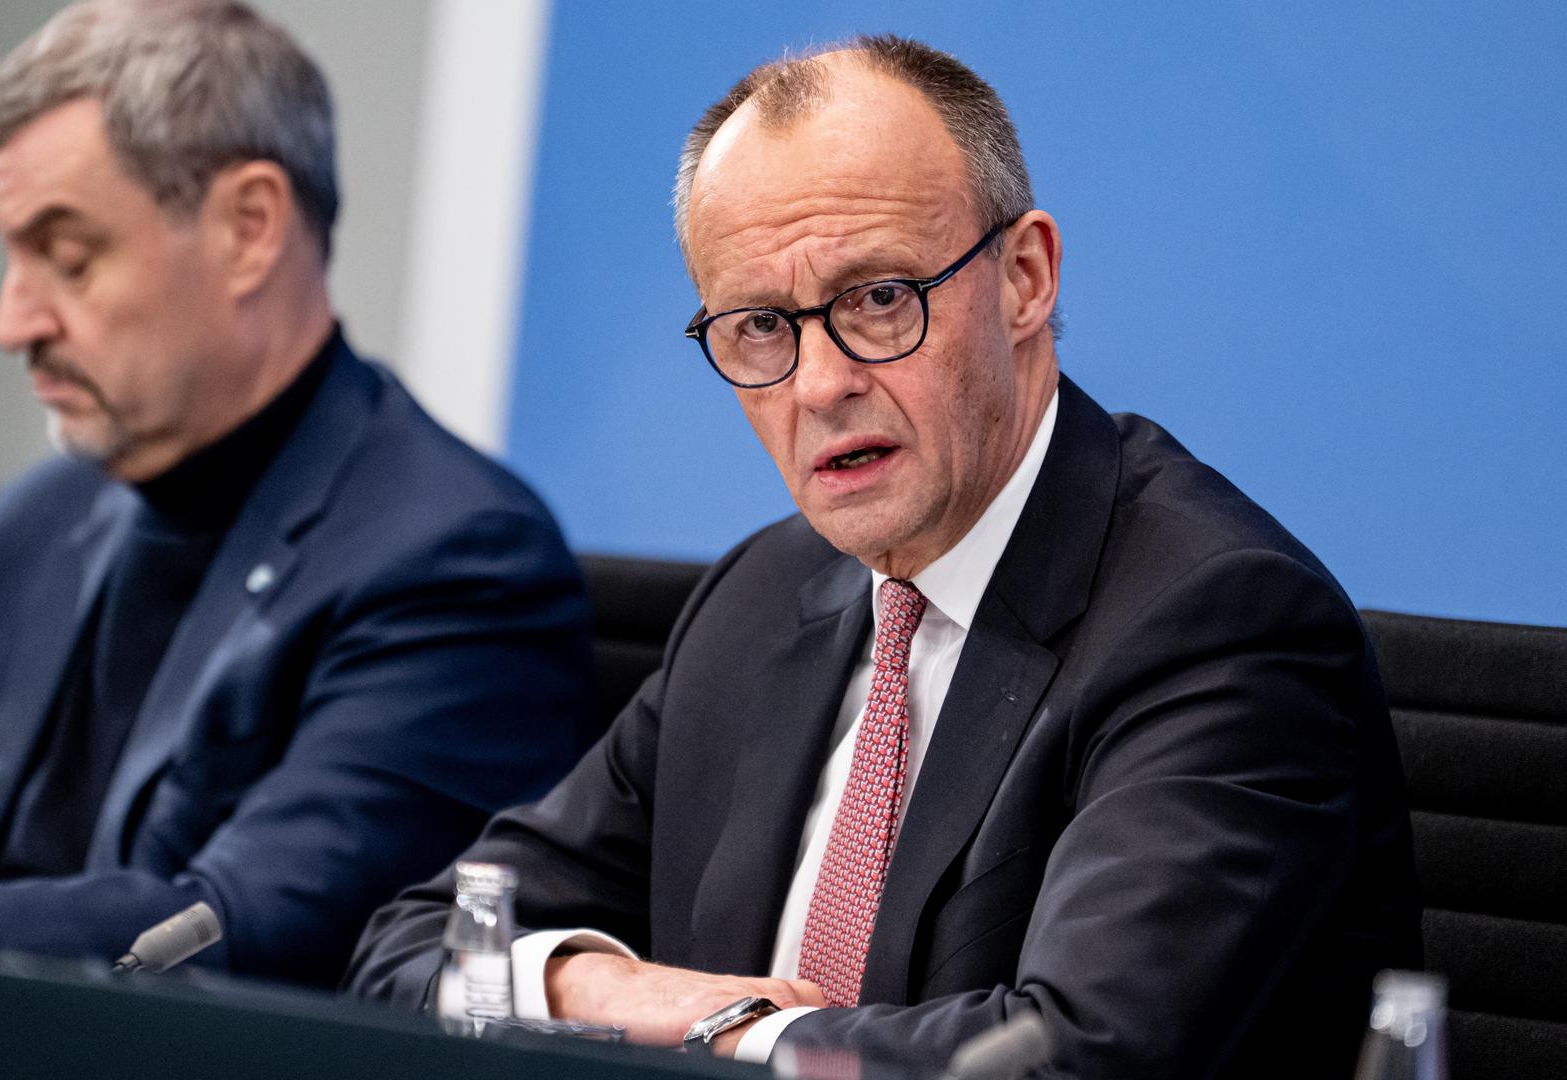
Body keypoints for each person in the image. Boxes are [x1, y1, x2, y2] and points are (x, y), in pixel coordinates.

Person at [347, 35, 1421, 1078]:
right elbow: (421, 946)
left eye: (877, 299)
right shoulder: (762, 598)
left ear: (1024, 279)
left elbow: (1073, 1057)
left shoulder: (1216, 621)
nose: (819, 384)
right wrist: (605, 991)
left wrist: (730, 1035)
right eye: (759, 325)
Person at [0, 0, 598, 986]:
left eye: (68, 257)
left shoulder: (457, 559)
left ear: (249, 227)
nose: (11, 322)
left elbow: (234, 929)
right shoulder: (29, 526)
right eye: (10, 255)